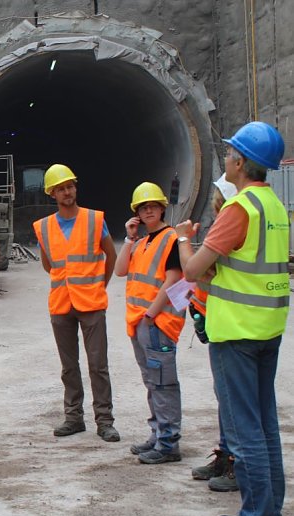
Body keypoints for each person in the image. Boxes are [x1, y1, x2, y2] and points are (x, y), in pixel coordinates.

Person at [176, 121, 287, 516]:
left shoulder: (239, 209)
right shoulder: (273, 206)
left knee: (244, 433)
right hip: (267, 329)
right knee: (265, 427)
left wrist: (185, 240)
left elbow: (192, 270)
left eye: (229, 154)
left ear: (241, 162)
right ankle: (269, 515)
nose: (225, 159)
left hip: (236, 332)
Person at [32, 164, 119, 442]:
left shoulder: (94, 220)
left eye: (70, 186)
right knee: (69, 366)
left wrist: (98, 285)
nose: (67, 192)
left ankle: (104, 421)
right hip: (61, 304)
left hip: (91, 303)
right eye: (61, 188)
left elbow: (110, 256)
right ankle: (73, 417)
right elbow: (49, 265)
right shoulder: (43, 227)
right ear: (52, 194)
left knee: (98, 364)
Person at [114, 182, 185, 464]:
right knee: (152, 382)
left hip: (157, 322)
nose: (148, 211)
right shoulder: (141, 242)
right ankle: (157, 434)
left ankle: (168, 443)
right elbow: (120, 270)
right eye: (143, 208)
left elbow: (174, 278)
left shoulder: (171, 239)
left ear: (162, 208)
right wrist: (129, 238)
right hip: (140, 323)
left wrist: (151, 315)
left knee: (163, 383)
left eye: (153, 206)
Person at [188, 176, 239, 493]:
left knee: (235, 401)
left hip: (233, 325)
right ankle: (226, 454)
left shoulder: (231, 226)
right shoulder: (223, 225)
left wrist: (184, 242)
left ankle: (236, 464)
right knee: (226, 399)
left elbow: (194, 269)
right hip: (218, 320)